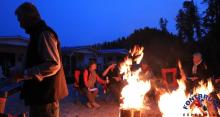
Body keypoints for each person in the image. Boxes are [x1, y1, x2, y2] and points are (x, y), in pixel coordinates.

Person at [11, 2, 68, 117]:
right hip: (40, 98)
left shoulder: (43, 33)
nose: (20, 25)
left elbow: (53, 64)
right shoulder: (37, 34)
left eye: (20, 19)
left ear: (28, 17)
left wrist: (25, 73)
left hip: (45, 99)